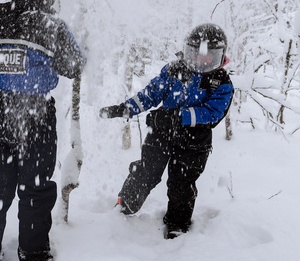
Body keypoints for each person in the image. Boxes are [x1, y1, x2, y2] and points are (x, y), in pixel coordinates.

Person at [0, 0, 85, 261]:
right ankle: (33, 257)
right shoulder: (52, 26)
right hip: (35, 114)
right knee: (35, 188)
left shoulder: (2, 19)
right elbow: (73, 66)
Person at [100, 23, 234, 239]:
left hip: (194, 142)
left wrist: (178, 117)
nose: (200, 60)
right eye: (195, 53)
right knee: (146, 171)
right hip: (161, 133)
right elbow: (151, 93)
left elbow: (212, 113)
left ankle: (177, 227)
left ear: (218, 57)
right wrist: (127, 108)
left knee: (181, 184)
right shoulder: (175, 70)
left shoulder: (220, 82)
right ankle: (123, 207)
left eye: (208, 56)